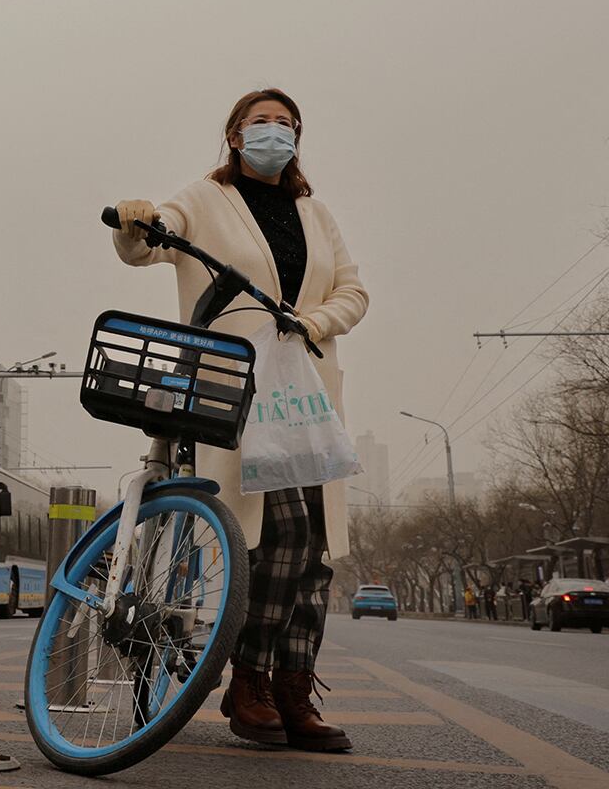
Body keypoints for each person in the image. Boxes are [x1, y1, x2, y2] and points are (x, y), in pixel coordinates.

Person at [113, 87, 368, 753]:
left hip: (306, 395)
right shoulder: (204, 198)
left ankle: (292, 690)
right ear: (234, 135)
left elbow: (353, 290)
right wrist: (135, 219)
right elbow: (147, 242)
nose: (275, 132)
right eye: (262, 122)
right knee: (279, 533)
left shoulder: (316, 214)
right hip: (235, 387)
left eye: (287, 124)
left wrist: (311, 321)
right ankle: (247, 682)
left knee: (312, 553)